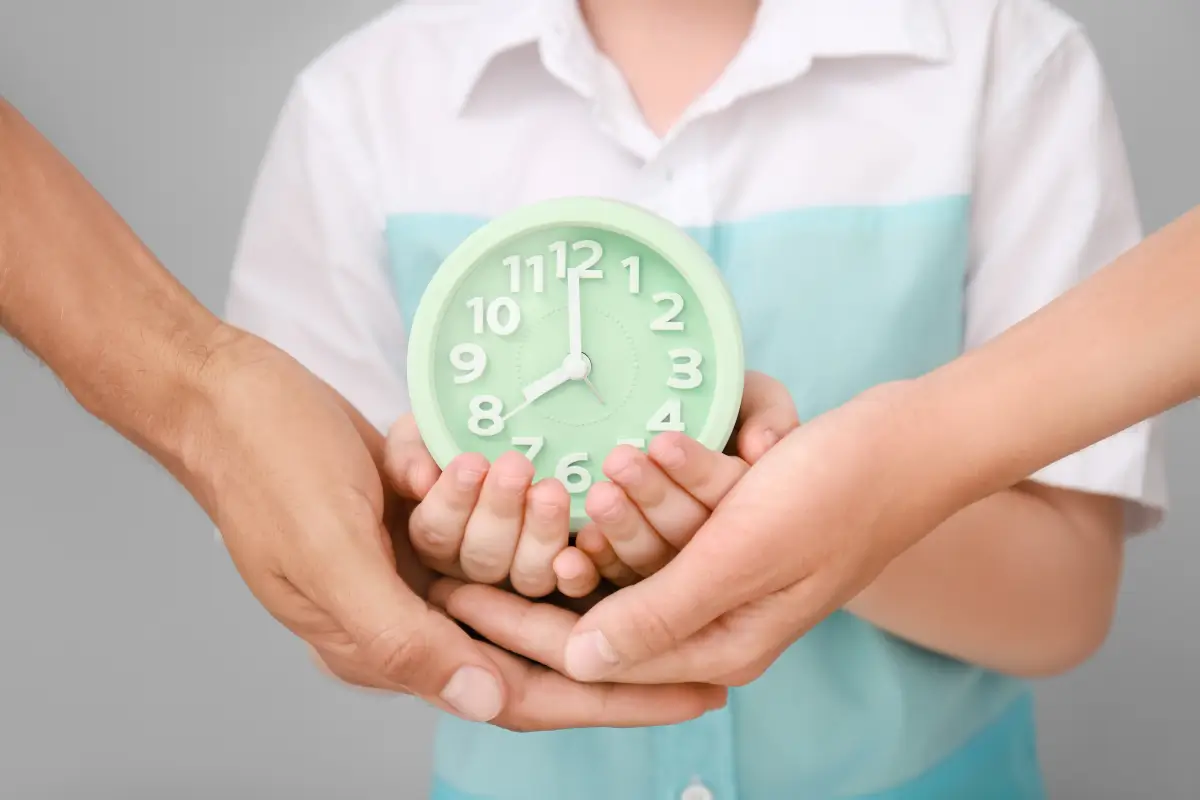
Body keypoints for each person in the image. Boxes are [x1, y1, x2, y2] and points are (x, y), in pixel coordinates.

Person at [225, 1, 1166, 798]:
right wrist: (436, 561)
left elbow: (1066, 601)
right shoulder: (365, 106)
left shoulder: (1001, 58)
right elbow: (325, 586)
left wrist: (839, 518)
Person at [0, 96, 729, 733]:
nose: (577, 371)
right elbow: (313, 540)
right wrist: (397, 543)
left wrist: (848, 532)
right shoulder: (361, 104)